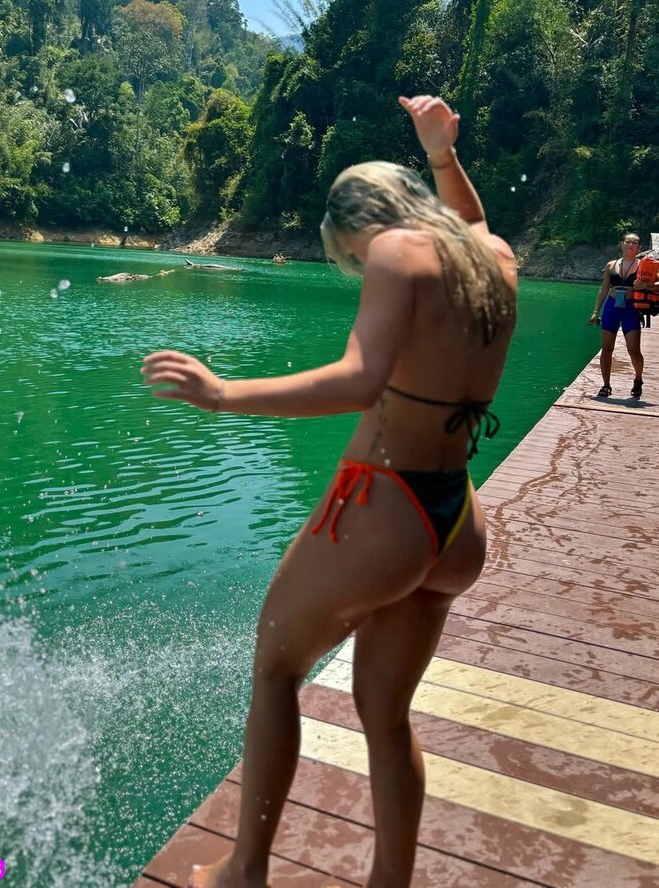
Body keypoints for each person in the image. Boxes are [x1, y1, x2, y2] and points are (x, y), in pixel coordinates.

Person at [141, 95, 517, 888]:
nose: (357, 263)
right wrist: (441, 153)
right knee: (385, 715)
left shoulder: (397, 252)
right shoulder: (492, 257)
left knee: (275, 669)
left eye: (349, 253)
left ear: (362, 226)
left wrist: (224, 393)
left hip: (385, 511)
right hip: (455, 521)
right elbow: (470, 218)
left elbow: (358, 379)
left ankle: (245, 870)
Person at [589, 232, 644, 398]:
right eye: (628, 241)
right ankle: (606, 385)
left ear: (639, 247)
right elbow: (604, 289)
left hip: (630, 308)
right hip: (612, 307)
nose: (631, 245)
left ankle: (638, 378)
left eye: (634, 242)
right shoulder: (611, 265)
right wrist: (596, 311)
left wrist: (646, 285)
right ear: (621, 243)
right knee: (606, 349)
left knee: (634, 349)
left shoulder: (643, 265)